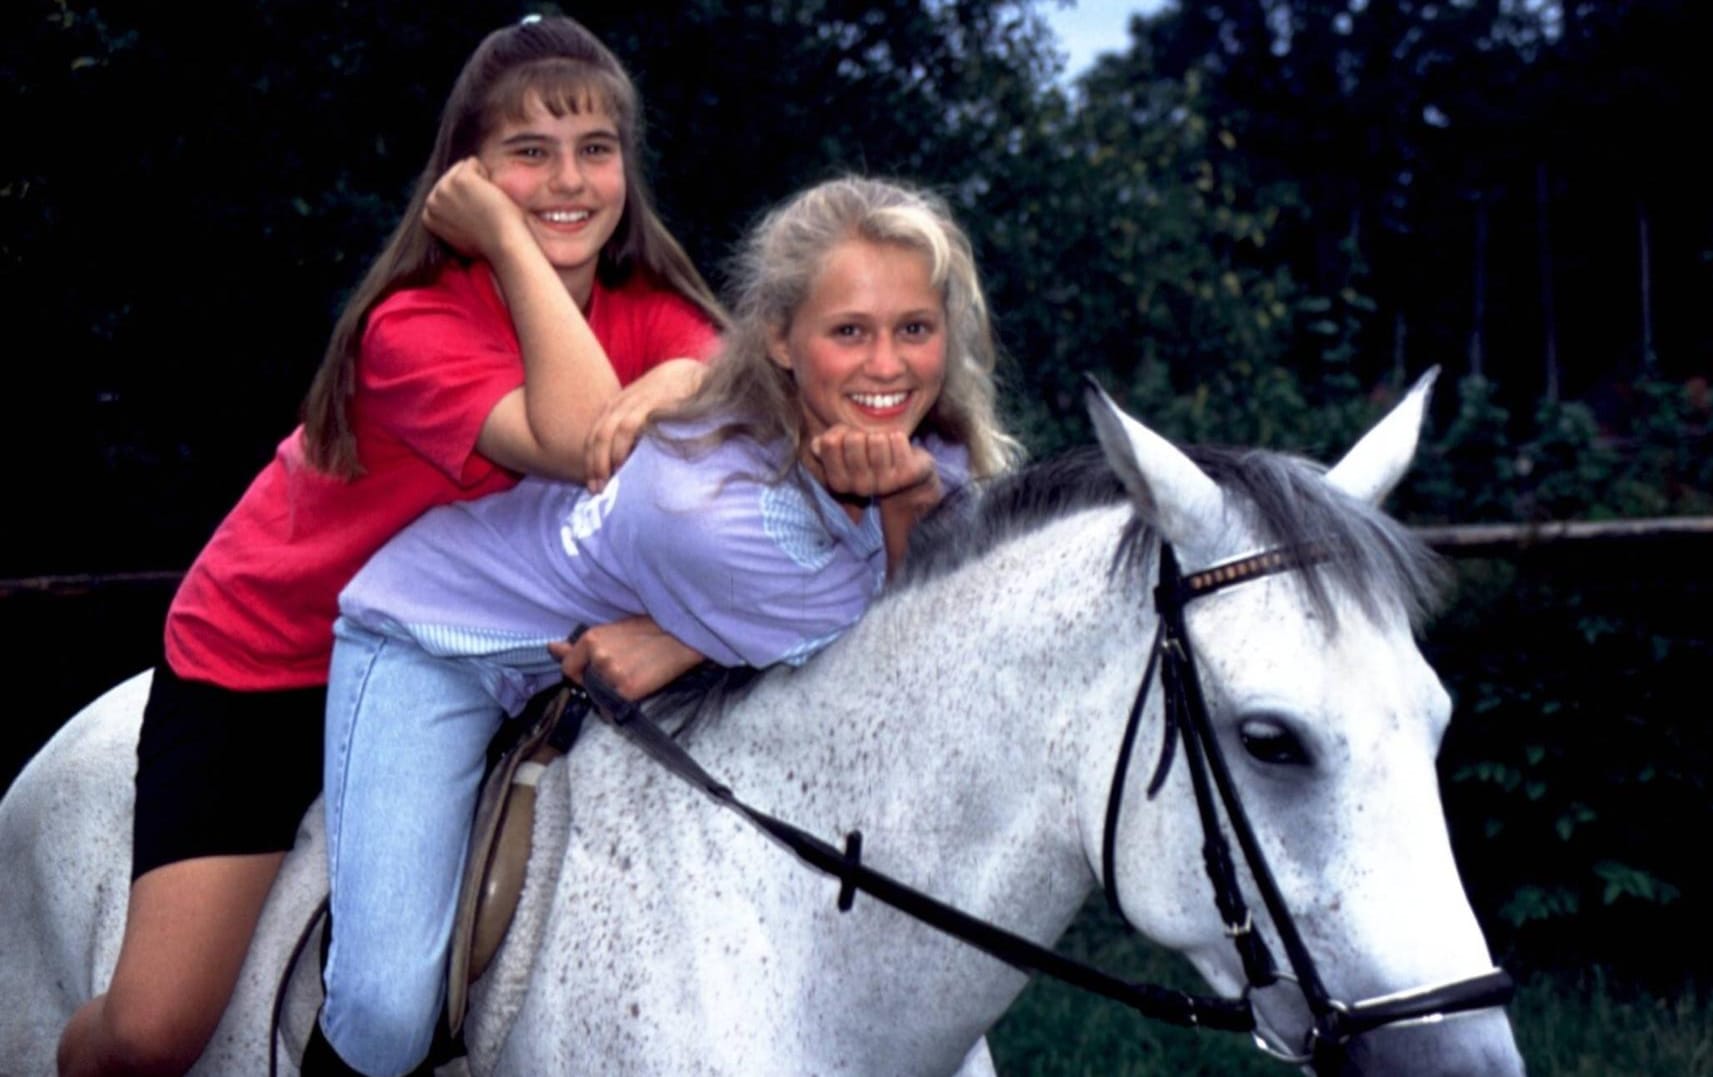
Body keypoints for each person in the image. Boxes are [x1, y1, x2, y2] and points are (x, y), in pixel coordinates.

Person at [56, 16, 725, 1077]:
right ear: (467, 175)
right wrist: (513, 249)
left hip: (467, 657)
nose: (569, 177)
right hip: (273, 661)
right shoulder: (412, 325)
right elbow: (579, 437)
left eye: (597, 149)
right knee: (154, 1032)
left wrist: (688, 377)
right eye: (529, 152)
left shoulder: (651, 309)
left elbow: (749, 404)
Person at [307, 175, 1022, 1077]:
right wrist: (708, 628)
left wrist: (685, 635)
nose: (887, 366)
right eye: (850, 331)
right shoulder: (704, 501)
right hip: (438, 637)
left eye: (914, 329)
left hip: (595, 645)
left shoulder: (934, 457)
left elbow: (932, 657)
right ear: (779, 340)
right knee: (383, 1012)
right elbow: (890, 654)